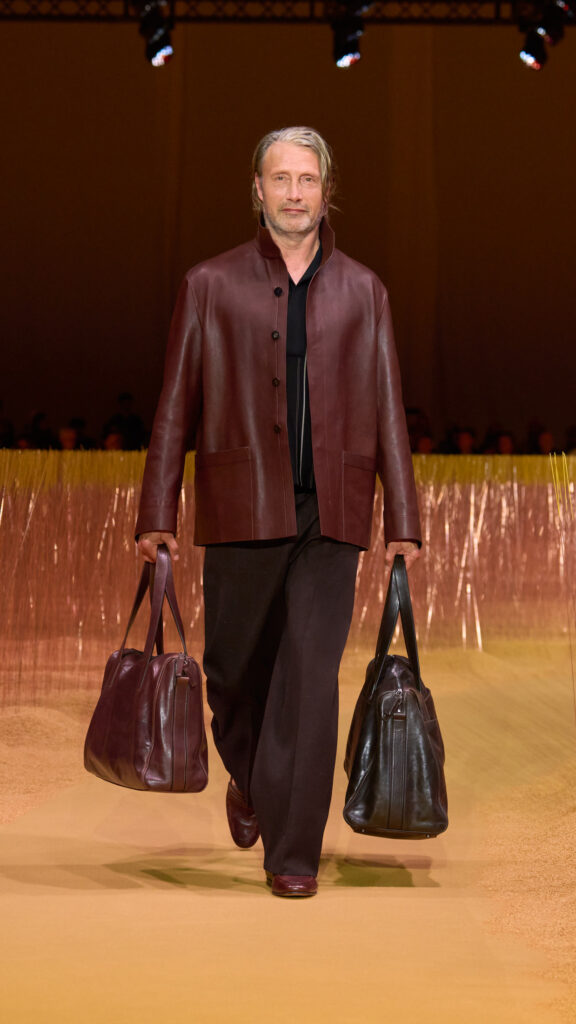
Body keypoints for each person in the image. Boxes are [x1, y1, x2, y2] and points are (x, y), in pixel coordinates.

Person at [135, 126, 421, 898]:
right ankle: (253, 778)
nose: (295, 193)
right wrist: (157, 509)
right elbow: (174, 404)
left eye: (308, 179)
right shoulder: (208, 283)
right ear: (256, 190)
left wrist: (404, 519)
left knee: (310, 676)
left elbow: (389, 405)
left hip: (333, 511)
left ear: (328, 192)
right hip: (242, 503)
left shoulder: (365, 291)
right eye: (280, 179)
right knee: (232, 674)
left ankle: (293, 853)